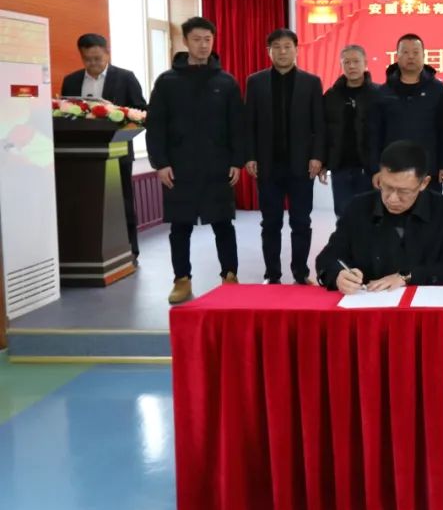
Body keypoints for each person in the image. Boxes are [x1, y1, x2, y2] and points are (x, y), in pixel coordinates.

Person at [146, 17, 245, 304]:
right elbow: (156, 126)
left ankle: (229, 275)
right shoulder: (167, 82)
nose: (203, 45)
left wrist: (236, 161)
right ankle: (182, 279)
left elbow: (237, 126)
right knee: (180, 227)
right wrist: (160, 163)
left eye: (208, 40)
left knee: (223, 224)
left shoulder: (226, 82)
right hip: (180, 167)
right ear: (185, 41)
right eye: (197, 39)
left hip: (218, 166)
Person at [315, 140, 443, 293]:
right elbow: (327, 258)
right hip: (369, 302)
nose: (392, 199)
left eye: (403, 191)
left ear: (424, 183)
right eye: (386, 187)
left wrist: (407, 277)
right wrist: (338, 275)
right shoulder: (358, 207)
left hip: (423, 303)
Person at [244, 28, 325, 285]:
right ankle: (272, 274)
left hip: (301, 166)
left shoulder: (311, 82)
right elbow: (249, 123)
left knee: (301, 222)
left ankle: (301, 272)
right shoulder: (255, 82)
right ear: (268, 51)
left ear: (296, 50)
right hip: (268, 166)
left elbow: (319, 124)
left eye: (287, 46)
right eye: (276, 47)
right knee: (270, 223)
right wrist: (250, 156)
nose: (282, 51)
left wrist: (317, 156)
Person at [60, 33, 147, 262]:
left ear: (107, 53)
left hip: (117, 153)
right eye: (87, 59)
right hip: (81, 156)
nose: (93, 64)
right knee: (83, 205)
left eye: (97, 58)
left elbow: (141, 112)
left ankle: (130, 250)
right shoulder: (71, 80)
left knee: (123, 203)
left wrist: (116, 111)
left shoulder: (125, 78)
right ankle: (85, 251)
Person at [369, 34, 443, 193]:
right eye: (405, 52)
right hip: (393, 169)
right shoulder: (383, 92)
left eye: (415, 52)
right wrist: (376, 168)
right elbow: (374, 134)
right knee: (395, 207)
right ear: (397, 56)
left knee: (429, 208)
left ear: (424, 55)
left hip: (428, 170)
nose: (411, 56)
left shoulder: (438, 90)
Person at [323, 44, 380, 217]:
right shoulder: (331, 95)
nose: (352, 66)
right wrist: (323, 162)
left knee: (371, 217)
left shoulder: (379, 94)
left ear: (365, 63)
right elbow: (323, 131)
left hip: (371, 168)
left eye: (356, 61)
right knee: (344, 215)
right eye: (346, 62)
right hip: (340, 168)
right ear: (341, 65)